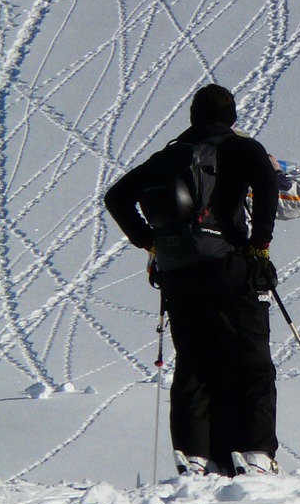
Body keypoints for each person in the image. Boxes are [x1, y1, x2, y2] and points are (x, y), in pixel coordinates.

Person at [105, 84, 280, 476]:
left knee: (195, 363)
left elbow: (116, 197)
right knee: (251, 360)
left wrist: (150, 243)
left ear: (192, 117)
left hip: (178, 273)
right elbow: (268, 185)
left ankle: (197, 456)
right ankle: (255, 453)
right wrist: (260, 245)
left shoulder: (170, 155)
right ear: (231, 116)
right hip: (228, 266)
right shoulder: (240, 147)